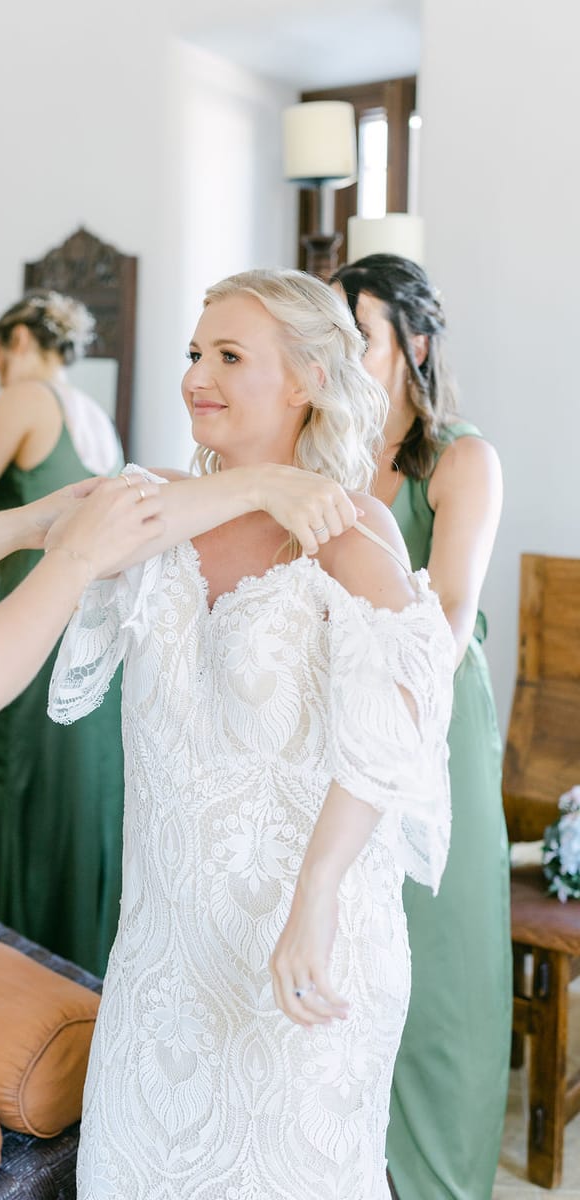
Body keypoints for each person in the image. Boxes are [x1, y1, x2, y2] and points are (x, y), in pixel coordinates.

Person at [0, 130, 361, 1200]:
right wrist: (78, 556)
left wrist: (29, 527)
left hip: (258, 900)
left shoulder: (347, 538)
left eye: (230, 357)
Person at [47, 268, 455, 1199]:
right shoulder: (153, 511)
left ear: (308, 378)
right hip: (165, 954)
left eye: (230, 356)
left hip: (302, 943)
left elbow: (395, 731)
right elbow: (61, 530)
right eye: (196, 352)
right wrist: (260, 484)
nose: (197, 376)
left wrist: (316, 894)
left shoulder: (351, 531)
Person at [331, 252, 509, 1200]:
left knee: (439, 957)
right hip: (338, 717)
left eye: (358, 337)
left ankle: (442, 1177)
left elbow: (445, 615)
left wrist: (383, 724)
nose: (341, 357)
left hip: (431, 721)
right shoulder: (325, 454)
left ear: (417, 345)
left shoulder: (462, 459)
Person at [0, 291, 124, 975]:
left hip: (37, 636)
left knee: (6, 786)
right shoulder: (94, 417)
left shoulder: (26, 399)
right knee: (73, 806)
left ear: (18, 340)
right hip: (92, 646)